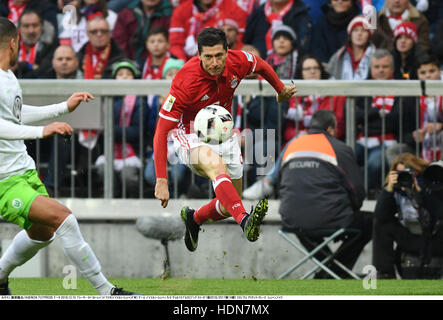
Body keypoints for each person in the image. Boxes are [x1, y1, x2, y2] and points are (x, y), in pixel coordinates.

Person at [0, 17, 139, 295]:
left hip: (24, 172)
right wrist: (42, 132)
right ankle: (107, 290)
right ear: (14, 42)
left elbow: (14, 115)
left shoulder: (9, 76)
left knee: (43, 233)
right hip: (4, 181)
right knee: (65, 218)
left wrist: (63, 107)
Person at [153, 27, 297, 251]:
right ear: (199, 55)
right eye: (208, 57)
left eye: (219, 55)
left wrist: (279, 89)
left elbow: (260, 64)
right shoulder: (185, 82)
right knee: (217, 169)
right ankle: (245, 221)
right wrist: (161, 179)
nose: (214, 62)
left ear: (227, 52)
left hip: (224, 132)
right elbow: (161, 131)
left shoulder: (236, 62)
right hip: (190, 133)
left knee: (229, 200)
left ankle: (195, 219)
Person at [278, 110, 371, 278]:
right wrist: (352, 209)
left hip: (291, 218)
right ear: (330, 129)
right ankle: (334, 272)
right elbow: (357, 192)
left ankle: (328, 271)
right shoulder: (339, 148)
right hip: (331, 217)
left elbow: (281, 184)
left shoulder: (290, 147)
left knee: (302, 224)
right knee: (371, 222)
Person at [243, 54, 346, 200]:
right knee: (266, 145)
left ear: (321, 71)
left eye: (315, 68)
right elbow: (287, 129)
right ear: (301, 73)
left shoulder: (334, 94)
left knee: (300, 138)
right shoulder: (292, 93)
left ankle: (267, 182)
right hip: (295, 142)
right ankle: (266, 197)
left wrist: (310, 135)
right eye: (308, 69)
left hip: (324, 142)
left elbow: (339, 126)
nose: (312, 71)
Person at [372, 153, 443, 279]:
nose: (405, 178)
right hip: (412, 238)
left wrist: (420, 192)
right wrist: (388, 189)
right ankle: (385, 274)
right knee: (381, 224)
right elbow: (380, 216)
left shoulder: (430, 184)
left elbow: (439, 212)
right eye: (400, 174)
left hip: (434, 239)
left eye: (409, 174)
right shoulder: (395, 190)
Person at [95, 60, 147, 197]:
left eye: (128, 74)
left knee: (128, 177)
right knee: (102, 171)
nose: (124, 77)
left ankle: (133, 206)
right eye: (120, 74)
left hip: (133, 152)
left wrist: (110, 129)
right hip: (108, 152)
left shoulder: (140, 101)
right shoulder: (106, 100)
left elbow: (137, 132)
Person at [354, 49, 402, 194]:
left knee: (374, 164)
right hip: (363, 139)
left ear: (392, 69)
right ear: (371, 69)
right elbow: (355, 115)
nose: (380, 70)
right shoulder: (363, 87)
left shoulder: (403, 88)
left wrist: (367, 119)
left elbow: (395, 120)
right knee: (345, 158)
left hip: (388, 141)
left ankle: (359, 195)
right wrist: (376, 113)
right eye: (377, 67)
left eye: (385, 67)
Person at [386, 54, 443, 164]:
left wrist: (441, 126)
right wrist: (413, 136)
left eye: (432, 71)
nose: (428, 76)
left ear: (439, 71)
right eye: (423, 73)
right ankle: (402, 181)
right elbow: (401, 132)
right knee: (395, 150)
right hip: (418, 149)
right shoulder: (411, 98)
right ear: (417, 75)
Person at [168, 0, 248, 61]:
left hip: (222, 61)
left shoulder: (232, 8)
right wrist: (184, 64)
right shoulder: (182, 10)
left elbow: (239, 40)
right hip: (189, 62)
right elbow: (176, 43)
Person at [243, 0, 312, 60]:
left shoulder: (301, 15)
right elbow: (246, 42)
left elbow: (303, 49)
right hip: (257, 67)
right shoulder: (258, 13)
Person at [327, 15, 375, 80]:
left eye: (364, 30)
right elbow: (329, 75)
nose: (359, 34)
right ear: (350, 35)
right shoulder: (339, 55)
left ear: (369, 36)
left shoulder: (375, 55)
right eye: (355, 30)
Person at [15, 8, 57, 79]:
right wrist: (29, 66)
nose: (31, 31)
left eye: (35, 25)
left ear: (42, 26)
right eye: (26, 26)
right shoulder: (11, 46)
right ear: (19, 28)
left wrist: (19, 66)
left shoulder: (51, 45)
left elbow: (44, 71)